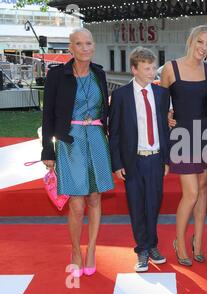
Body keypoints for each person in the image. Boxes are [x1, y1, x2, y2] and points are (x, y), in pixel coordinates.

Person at [41, 28, 114, 277]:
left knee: (95, 198)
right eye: (79, 44)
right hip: (69, 141)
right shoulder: (57, 75)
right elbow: (48, 112)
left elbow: (105, 110)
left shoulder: (99, 73)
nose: (85, 48)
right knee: (77, 204)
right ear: (70, 48)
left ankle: (91, 249)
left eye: (89, 43)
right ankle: (75, 251)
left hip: (96, 139)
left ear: (93, 46)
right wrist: (47, 150)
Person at [109, 47, 170, 272]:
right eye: (147, 68)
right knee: (137, 206)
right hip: (132, 160)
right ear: (134, 69)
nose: (152, 72)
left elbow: (163, 128)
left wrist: (165, 159)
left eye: (154, 67)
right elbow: (113, 132)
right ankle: (142, 249)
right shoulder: (121, 95)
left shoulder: (162, 94)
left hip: (155, 159)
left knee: (154, 205)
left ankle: (152, 244)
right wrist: (117, 163)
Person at [160, 25, 207, 266]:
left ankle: (199, 242)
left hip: (205, 132)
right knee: (191, 193)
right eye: (200, 42)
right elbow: (159, 104)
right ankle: (179, 242)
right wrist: (167, 114)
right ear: (191, 40)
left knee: (203, 190)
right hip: (182, 134)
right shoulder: (170, 68)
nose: (203, 48)